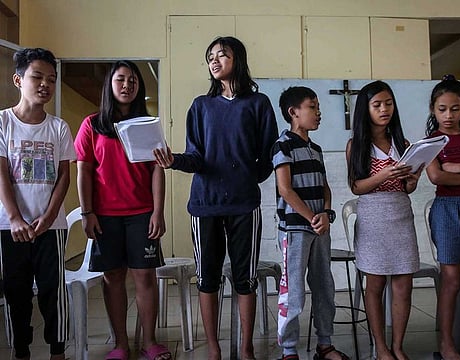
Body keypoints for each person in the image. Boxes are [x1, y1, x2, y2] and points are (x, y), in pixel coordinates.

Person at [153, 36, 278, 360]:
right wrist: (174, 161)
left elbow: (267, 155)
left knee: (244, 278)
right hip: (204, 204)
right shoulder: (200, 106)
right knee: (207, 278)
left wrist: (245, 178)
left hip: (244, 204)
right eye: (210, 56)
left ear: (238, 58)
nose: (215, 60)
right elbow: (196, 157)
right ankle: (213, 349)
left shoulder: (258, 104)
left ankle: (247, 349)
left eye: (222, 54)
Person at [74, 60, 171, 360]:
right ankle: (120, 344)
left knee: (145, 276)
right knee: (113, 277)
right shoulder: (92, 125)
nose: (127, 85)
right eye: (120, 79)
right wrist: (86, 212)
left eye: (133, 80)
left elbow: (158, 169)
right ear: (110, 85)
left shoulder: (146, 124)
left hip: (142, 213)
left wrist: (158, 212)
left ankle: (150, 343)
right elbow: (84, 171)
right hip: (105, 216)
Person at [0, 48, 76, 360]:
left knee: (52, 291)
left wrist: (48, 217)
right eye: (37, 77)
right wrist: (15, 217)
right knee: (16, 292)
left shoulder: (58, 128)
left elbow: (64, 178)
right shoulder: (3, 122)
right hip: (10, 227)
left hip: (51, 227)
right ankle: (21, 351)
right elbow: (1, 173)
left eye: (52, 79)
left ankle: (58, 351)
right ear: (18, 79)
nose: (45, 84)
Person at [346, 81, 423, 360]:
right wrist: (384, 175)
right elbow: (356, 187)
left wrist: (413, 180)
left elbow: (407, 188)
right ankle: (381, 346)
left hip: (401, 214)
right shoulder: (356, 145)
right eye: (377, 104)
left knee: (404, 282)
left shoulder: (403, 144)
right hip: (373, 217)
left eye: (388, 103)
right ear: (365, 110)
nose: (384, 109)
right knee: (375, 283)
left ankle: (398, 345)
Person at [272, 86, 349, 360]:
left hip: (320, 230)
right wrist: (312, 218)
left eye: (318, 107)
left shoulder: (315, 149)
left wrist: (326, 213)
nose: (319, 113)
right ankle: (289, 349)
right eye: (313, 107)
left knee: (324, 286)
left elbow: (325, 186)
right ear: (294, 112)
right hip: (295, 231)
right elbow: (285, 189)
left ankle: (325, 343)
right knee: (293, 292)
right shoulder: (282, 145)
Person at [425, 75, 460, 360]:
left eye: (455, 108)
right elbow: (436, 175)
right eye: (442, 109)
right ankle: (447, 344)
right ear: (433, 110)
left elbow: (447, 171)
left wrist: (456, 166)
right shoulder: (430, 142)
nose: (449, 115)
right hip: (447, 210)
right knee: (452, 280)